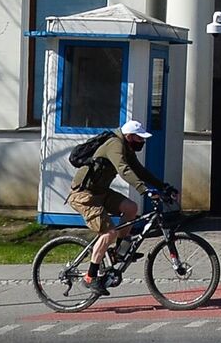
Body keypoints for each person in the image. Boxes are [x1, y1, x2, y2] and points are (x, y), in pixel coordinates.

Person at [67, 118, 173, 291]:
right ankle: (90, 277)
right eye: (139, 138)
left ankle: (119, 252)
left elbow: (139, 171)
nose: (142, 142)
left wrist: (163, 186)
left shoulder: (126, 147)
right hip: (84, 195)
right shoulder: (115, 144)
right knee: (109, 233)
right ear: (129, 136)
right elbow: (124, 169)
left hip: (101, 192)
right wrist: (144, 190)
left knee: (131, 208)